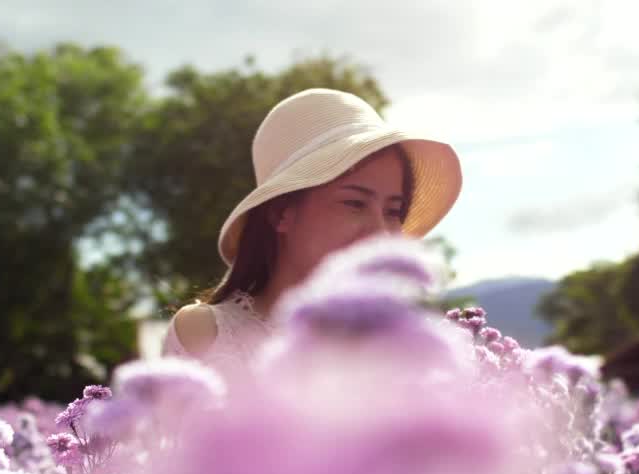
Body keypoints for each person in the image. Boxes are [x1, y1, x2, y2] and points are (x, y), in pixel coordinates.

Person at [161, 88, 463, 374]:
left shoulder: (404, 352)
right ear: (281, 213)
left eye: (393, 211)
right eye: (355, 203)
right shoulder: (205, 334)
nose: (380, 233)